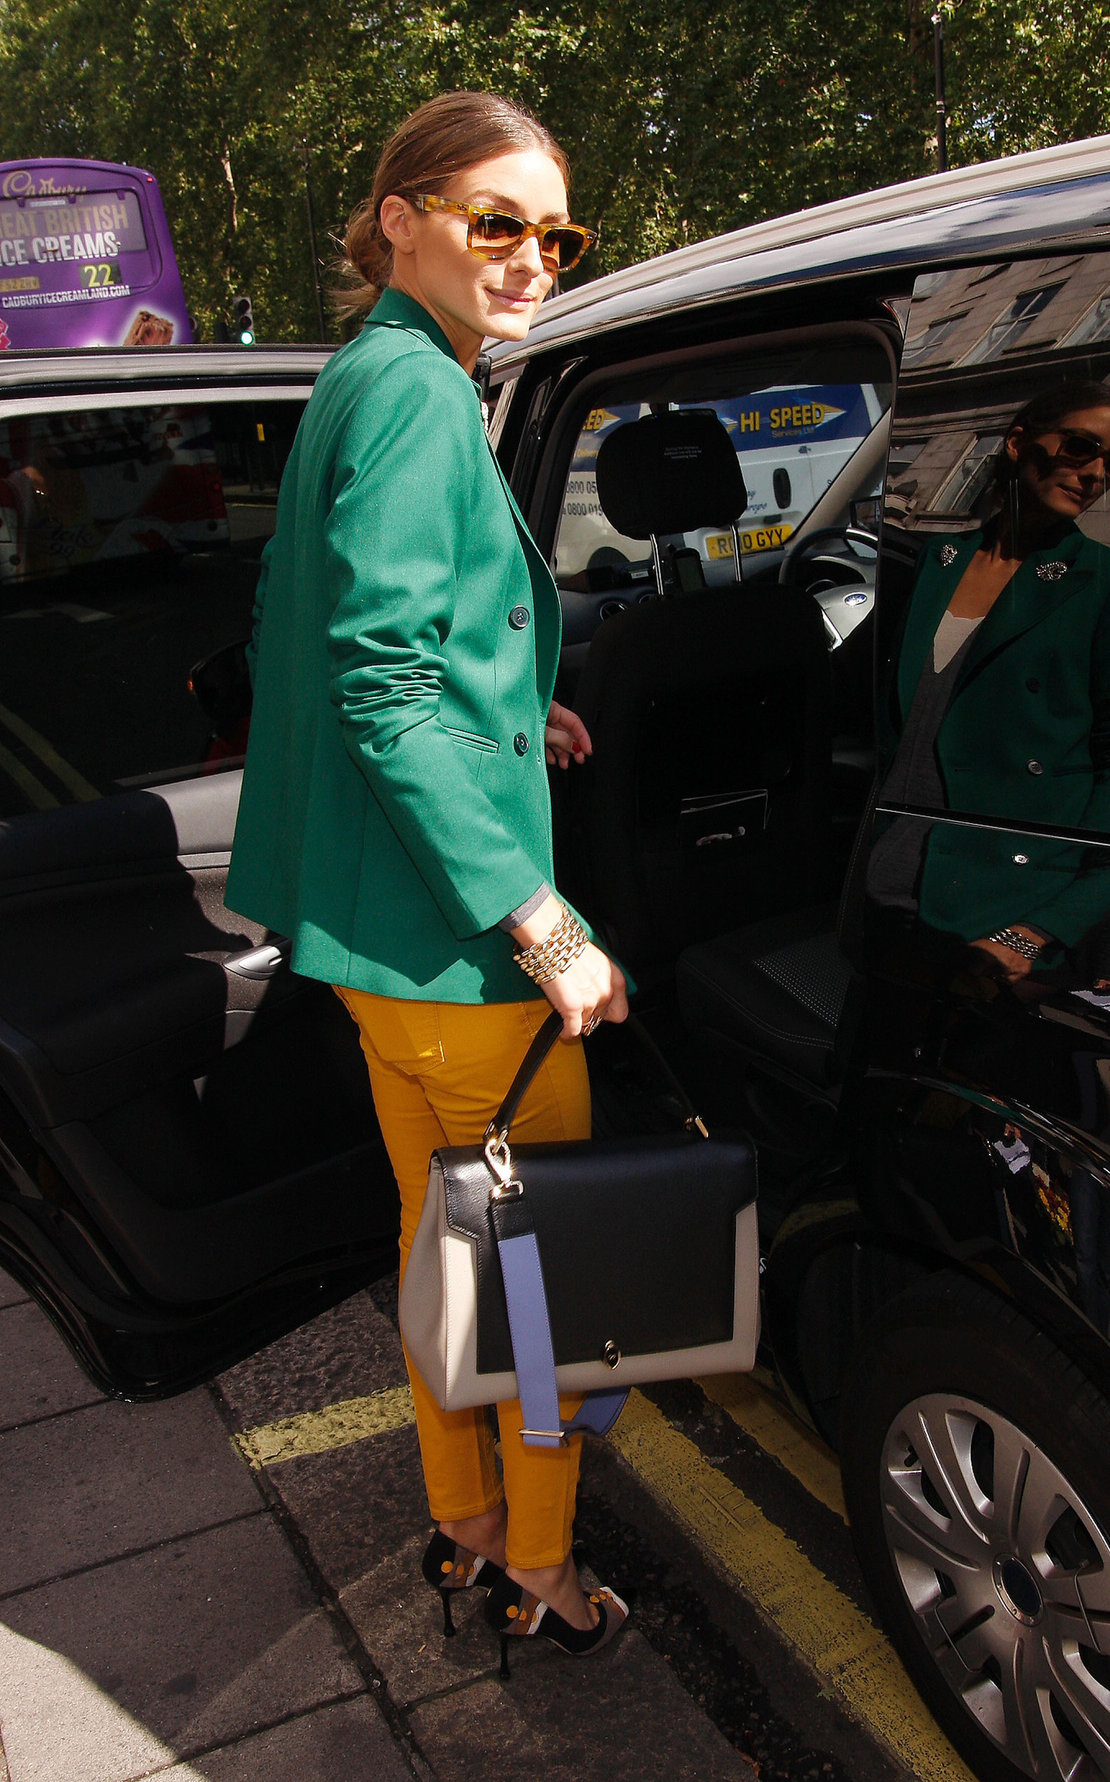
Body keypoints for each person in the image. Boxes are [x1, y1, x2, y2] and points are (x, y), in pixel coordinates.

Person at [225, 91, 630, 1662]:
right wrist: (541, 918)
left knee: (439, 1251)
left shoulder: (367, 373)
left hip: (377, 954)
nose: (530, 256)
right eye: (496, 220)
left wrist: (519, 707)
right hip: (465, 964)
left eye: (553, 234)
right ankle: (542, 1561)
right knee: (540, 1284)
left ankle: (462, 1520)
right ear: (400, 219)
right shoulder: (415, 391)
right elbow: (379, 683)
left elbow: (348, 644)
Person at [870, 382, 1110, 978]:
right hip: (883, 885)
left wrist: (1037, 936)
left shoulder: (1099, 583)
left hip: (1001, 913)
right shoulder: (936, 560)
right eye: (1081, 447)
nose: (1095, 474)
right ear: (1018, 443)